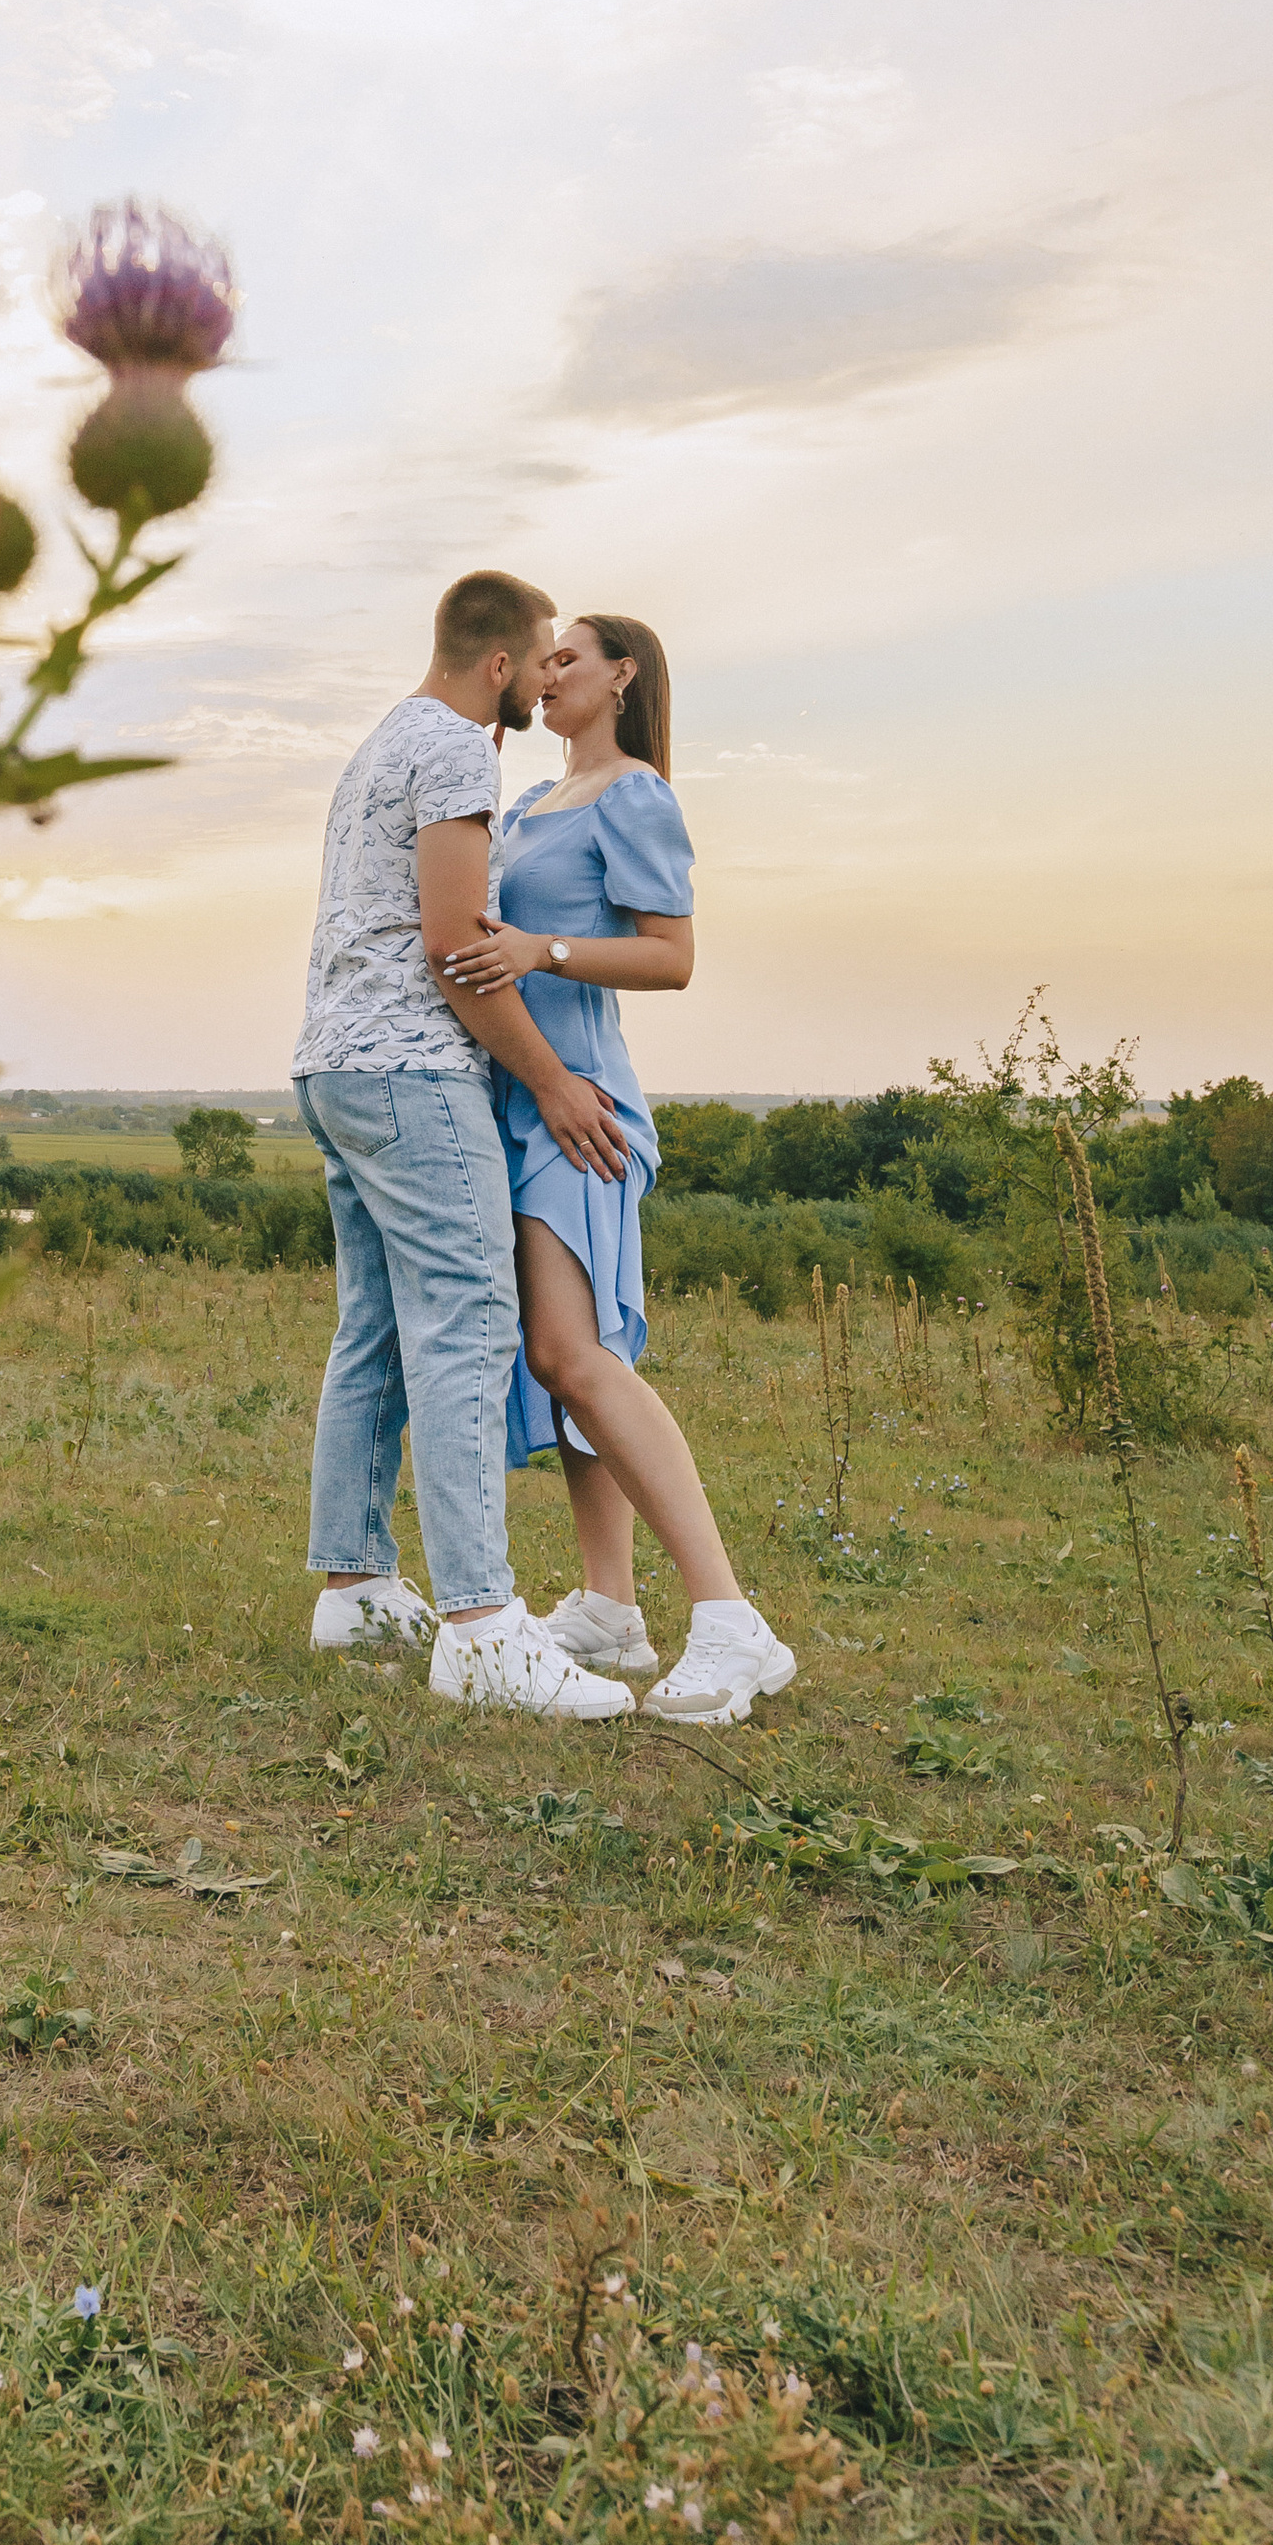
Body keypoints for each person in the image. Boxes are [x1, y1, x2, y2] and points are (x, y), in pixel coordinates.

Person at [291, 571, 643, 1718]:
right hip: (410, 1073)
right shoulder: (452, 750)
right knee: (470, 1324)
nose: (545, 681)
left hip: (333, 1064)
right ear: (498, 666)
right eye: (541, 663)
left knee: (378, 1325)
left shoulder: (378, 746)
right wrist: (549, 1084)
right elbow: (451, 947)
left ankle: (353, 1586)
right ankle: (485, 1626)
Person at [439, 614, 795, 1728]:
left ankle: (732, 1622)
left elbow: (671, 953)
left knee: (573, 1352)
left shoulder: (635, 793)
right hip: (514, 1097)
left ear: (621, 675)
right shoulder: (536, 800)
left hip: (577, 1105)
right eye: (541, 661)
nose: (544, 676)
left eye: (567, 659)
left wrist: (540, 949)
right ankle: (607, 1605)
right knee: (558, 1365)